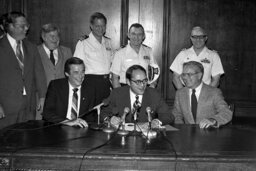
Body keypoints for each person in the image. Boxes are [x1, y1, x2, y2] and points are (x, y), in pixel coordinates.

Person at [0, 11, 47, 129]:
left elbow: (39, 73)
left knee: (27, 142)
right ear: (10, 26)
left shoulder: (31, 47)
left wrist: (42, 97)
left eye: (27, 25)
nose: (26, 28)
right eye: (22, 26)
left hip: (29, 106)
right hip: (6, 108)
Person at [101, 65, 174, 127]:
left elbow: (169, 116)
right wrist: (110, 119)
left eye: (145, 81)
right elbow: (103, 113)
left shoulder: (154, 94)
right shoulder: (117, 93)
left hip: (146, 137)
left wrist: (157, 122)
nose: (142, 85)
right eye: (138, 82)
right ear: (128, 82)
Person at [172, 61, 232, 129]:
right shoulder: (180, 93)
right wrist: (181, 128)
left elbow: (226, 112)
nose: (185, 77)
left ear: (199, 75)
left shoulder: (214, 92)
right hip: (186, 135)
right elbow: (177, 114)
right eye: (183, 74)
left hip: (209, 135)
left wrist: (213, 120)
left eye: (189, 74)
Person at [42, 57, 97, 128]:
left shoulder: (90, 89)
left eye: (82, 71)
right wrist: (67, 122)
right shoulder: (55, 86)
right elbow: (47, 113)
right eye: (76, 72)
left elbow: (91, 116)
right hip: (58, 127)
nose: (81, 76)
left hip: (80, 129)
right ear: (67, 74)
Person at [73, 12, 113, 108]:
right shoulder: (83, 42)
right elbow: (77, 66)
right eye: (97, 26)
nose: (100, 29)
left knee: (105, 112)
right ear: (91, 26)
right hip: (90, 82)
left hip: (106, 83)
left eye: (103, 26)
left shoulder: (108, 42)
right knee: (90, 113)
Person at [110, 23, 159, 88]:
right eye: (133, 34)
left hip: (144, 88)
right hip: (126, 88)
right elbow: (114, 77)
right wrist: (119, 94)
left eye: (139, 34)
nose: (136, 37)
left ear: (143, 36)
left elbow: (155, 71)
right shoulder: (120, 53)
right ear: (128, 35)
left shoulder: (149, 51)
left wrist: (152, 87)